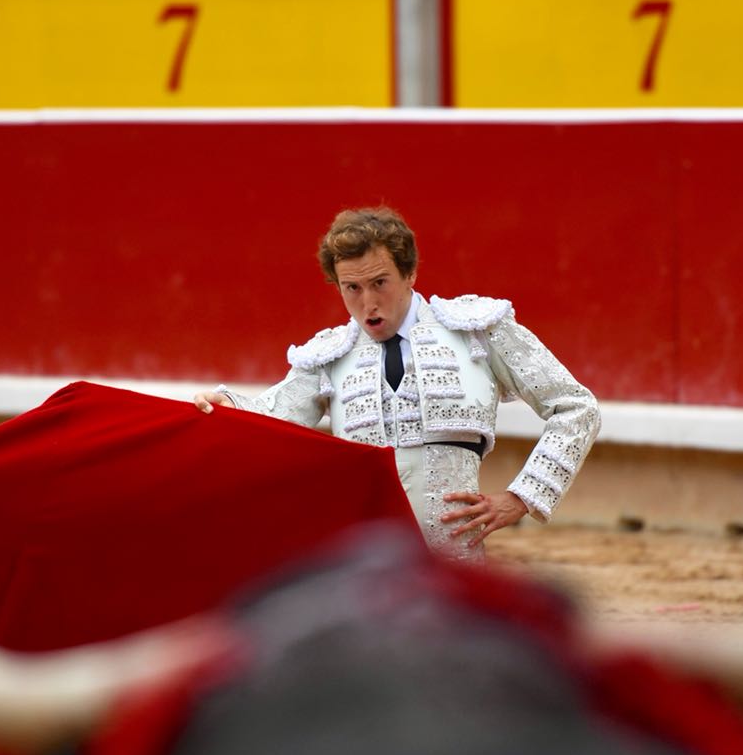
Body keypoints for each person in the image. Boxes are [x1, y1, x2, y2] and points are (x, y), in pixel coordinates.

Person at [193, 207, 601, 561]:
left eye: (379, 283)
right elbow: (271, 419)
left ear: (410, 274)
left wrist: (523, 497)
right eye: (352, 288)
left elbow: (575, 406)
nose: (367, 302)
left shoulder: (476, 329)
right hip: (364, 551)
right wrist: (223, 408)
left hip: (452, 552)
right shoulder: (329, 355)